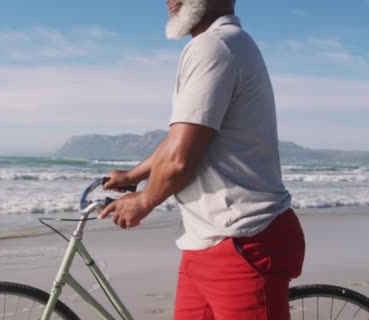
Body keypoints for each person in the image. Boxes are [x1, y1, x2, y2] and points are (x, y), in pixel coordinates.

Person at [98, 0, 306, 319]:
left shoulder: (215, 47)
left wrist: (143, 203)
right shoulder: (219, 45)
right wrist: (133, 175)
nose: (170, 1)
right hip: (203, 242)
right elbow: (183, 138)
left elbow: (181, 157)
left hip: (243, 240)